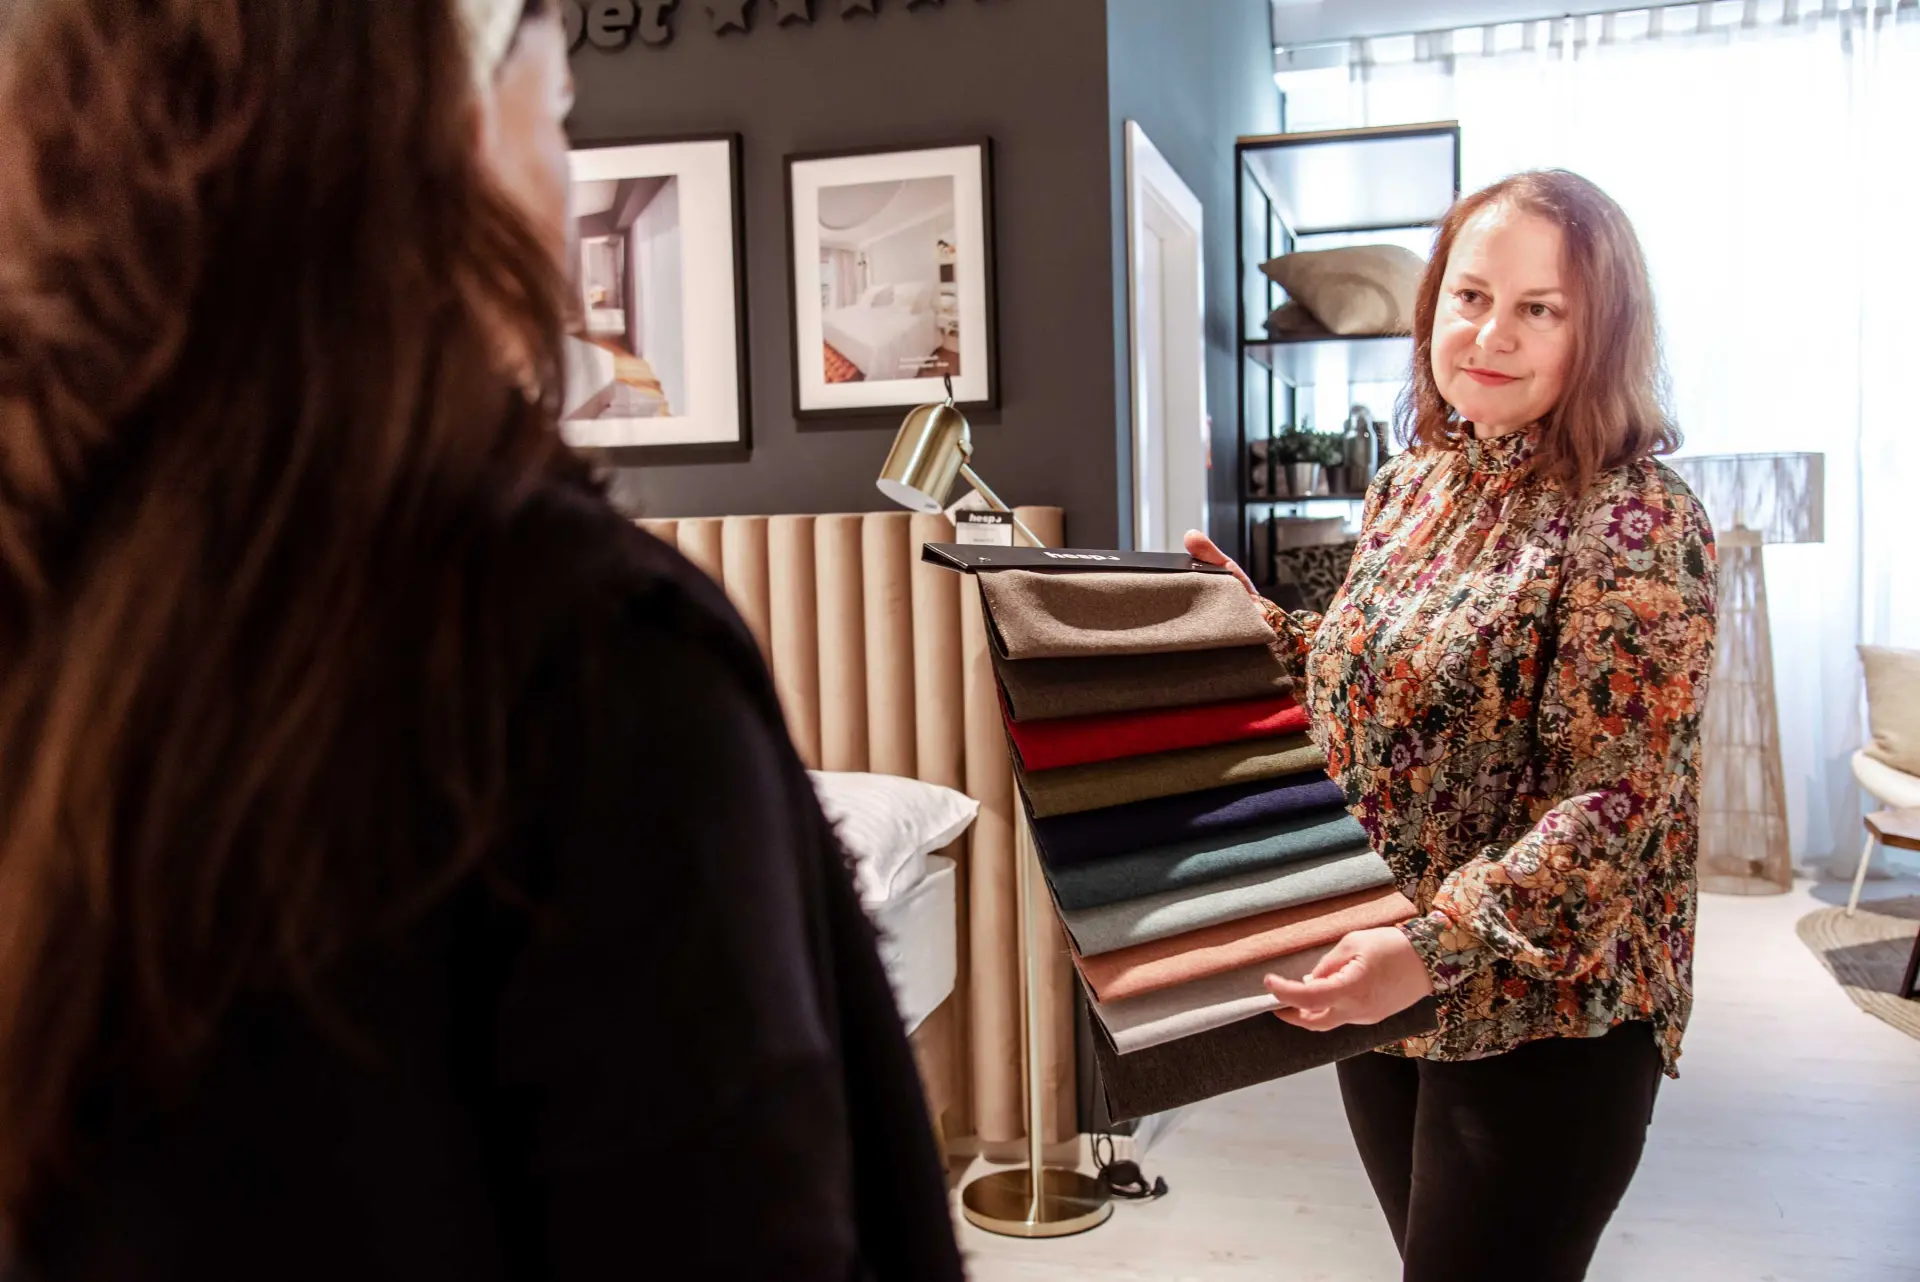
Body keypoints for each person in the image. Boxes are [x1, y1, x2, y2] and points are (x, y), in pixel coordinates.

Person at [0, 2, 963, 1279]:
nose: (566, 190)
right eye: (556, 116)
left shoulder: (53, 607)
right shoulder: (594, 672)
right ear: (442, 142)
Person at [1188, 169, 1718, 1282]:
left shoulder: (1636, 514)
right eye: (1471, 296)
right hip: (1389, 979)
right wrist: (1257, 628)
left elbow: (1614, 803)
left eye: (1540, 308)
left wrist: (1429, 952)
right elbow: (1378, 684)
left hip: (1546, 1010)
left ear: (1602, 332)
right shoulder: (1412, 486)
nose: (1491, 333)